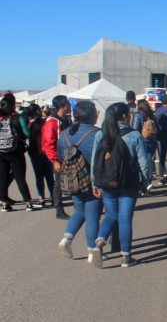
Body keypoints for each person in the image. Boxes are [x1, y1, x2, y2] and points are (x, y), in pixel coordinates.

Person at [90, 102, 150, 268]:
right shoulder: (133, 135)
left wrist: (94, 183)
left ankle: (100, 243)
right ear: (125, 116)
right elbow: (143, 162)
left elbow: (95, 161)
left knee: (110, 215)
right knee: (125, 219)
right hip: (128, 182)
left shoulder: (100, 134)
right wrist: (146, 181)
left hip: (106, 182)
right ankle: (126, 257)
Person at [56, 101, 102, 264]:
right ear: (91, 115)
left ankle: (66, 239)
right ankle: (91, 251)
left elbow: (61, 157)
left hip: (72, 179)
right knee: (92, 216)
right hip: (91, 181)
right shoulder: (98, 133)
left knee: (78, 211)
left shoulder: (65, 134)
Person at [0, 93, 33, 212]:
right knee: (20, 178)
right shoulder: (17, 118)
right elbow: (27, 133)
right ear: (13, 105)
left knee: (2, 179)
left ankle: (4, 204)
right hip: (16, 152)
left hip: (1, 153)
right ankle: (28, 203)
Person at [42, 95, 72, 219]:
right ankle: (58, 209)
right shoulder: (52, 122)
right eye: (68, 104)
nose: (70, 106)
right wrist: (54, 160)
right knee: (58, 183)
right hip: (59, 157)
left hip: (68, 155)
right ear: (62, 106)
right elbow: (48, 143)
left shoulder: (66, 120)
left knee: (71, 181)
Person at [24, 104, 55, 208]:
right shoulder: (45, 122)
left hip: (35, 152)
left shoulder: (29, 124)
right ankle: (54, 197)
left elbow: (27, 136)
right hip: (46, 151)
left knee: (39, 176)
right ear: (38, 111)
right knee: (49, 175)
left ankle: (41, 198)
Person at [132, 99, 157, 187]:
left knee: (141, 162)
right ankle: (149, 181)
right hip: (151, 140)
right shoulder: (151, 115)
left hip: (141, 141)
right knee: (149, 161)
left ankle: (143, 182)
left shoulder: (138, 115)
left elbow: (135, 129)